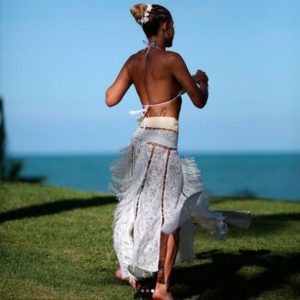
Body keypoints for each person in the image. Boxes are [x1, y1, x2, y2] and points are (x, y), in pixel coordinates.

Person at [105, 4, 252, 300]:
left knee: (137, 209)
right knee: (170, 216)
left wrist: (156, 88)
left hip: (140, 141)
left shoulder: (134, 61)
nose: (175, 31)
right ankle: (160, 288)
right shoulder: (173, 59)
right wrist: (202, 82)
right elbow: (199, 100)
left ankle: (131, 268)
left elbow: (110, 98)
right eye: (174, 26)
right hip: (162, 147)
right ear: (166, 26)